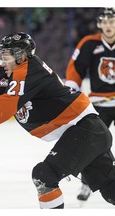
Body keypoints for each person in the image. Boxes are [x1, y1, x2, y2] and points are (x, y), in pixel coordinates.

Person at [0, 32, 115, 208]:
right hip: (84, 133)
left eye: (6, 56)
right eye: (1, 55)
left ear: (21, 56)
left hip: (86, 130)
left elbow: (7, 105)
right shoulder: (10, 71)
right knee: (111, 191)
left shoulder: (30, 70)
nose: (2, 61)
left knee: (44, 175)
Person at [65, 7, 115, 201]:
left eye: (112, 22)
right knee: (92, 146)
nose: (109, 26)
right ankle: (87, 183)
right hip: (98, 103)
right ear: (99, 24)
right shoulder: (89, 43)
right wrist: (71, 93)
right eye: (105, 22)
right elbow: (75, 70)